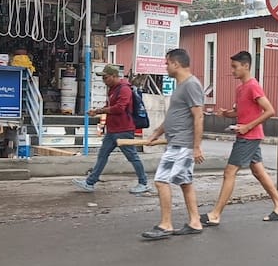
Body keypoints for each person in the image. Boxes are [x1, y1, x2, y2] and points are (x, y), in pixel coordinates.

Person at [202, 51, 278, 225]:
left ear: (246, 66)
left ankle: (215, 214)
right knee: (258, 171)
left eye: (235, 67)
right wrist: (226, 114)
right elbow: (241, 112)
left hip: (249, 136)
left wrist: (248, 126)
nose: (232, 71)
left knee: (229, 172)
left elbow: (270, 110)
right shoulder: (241, 88)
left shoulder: (252, 85)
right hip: (247, 135)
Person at [140, 49, 206, 240]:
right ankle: (195, 221)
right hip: (177, 142)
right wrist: (156, 133)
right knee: (185, 183)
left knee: (161, 181)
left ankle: (166, 224)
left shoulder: (191, 85)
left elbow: (198, 116)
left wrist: (196, 147)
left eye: (167, 63)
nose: (166, 67)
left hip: (182, 145)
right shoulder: (181, 86)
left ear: (176, 64)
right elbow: (173, 116)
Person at [72, 65, 151, 194]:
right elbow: (111, 106)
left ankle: (143, 183)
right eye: (103, 78)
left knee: (132, 157)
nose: (104, 80)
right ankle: (90, 183)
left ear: (114, 76)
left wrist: (100, 110)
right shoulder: (113, 89)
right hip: (113, 129)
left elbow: (119, 108)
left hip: (124, 129)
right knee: (102, 155)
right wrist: (98, 111)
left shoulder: (124, 89)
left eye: (106, 77)